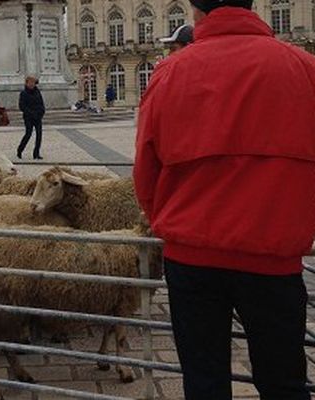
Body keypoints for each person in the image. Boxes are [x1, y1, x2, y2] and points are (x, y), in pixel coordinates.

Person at [134, 0, 315, 399]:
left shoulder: (170, 72)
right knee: (284, 384)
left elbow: (145, 172)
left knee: (204, 382)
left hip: (192, 259)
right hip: (274, 259)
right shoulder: (304, 69)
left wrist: (165, 221)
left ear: (197, 11)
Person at [17, 76, 45, 160]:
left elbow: (41, 103)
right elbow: (22, 106)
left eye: (33, 82)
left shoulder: (37, 92)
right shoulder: (23, 93)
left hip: (38, 116)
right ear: (26, 83)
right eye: (30, 82)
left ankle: (36, 153)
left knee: (39, 135)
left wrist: (41, 112)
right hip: (28, 117)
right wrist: (31, 113)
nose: (32, 84)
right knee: (28, 134)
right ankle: (20, 150)